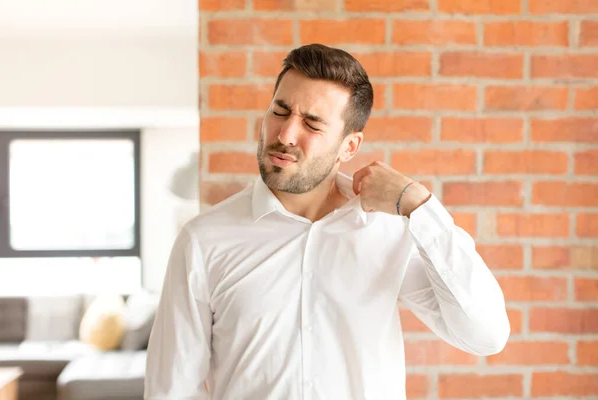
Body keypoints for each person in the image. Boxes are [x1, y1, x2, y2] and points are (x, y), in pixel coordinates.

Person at [144, 43, 510, 400]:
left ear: (349, 147)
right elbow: (171, 388)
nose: (285, 134)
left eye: (312, 124)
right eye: (280, 111)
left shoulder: (388, 231)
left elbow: (485, 334)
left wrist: (420, 207)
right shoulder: (204, 241)